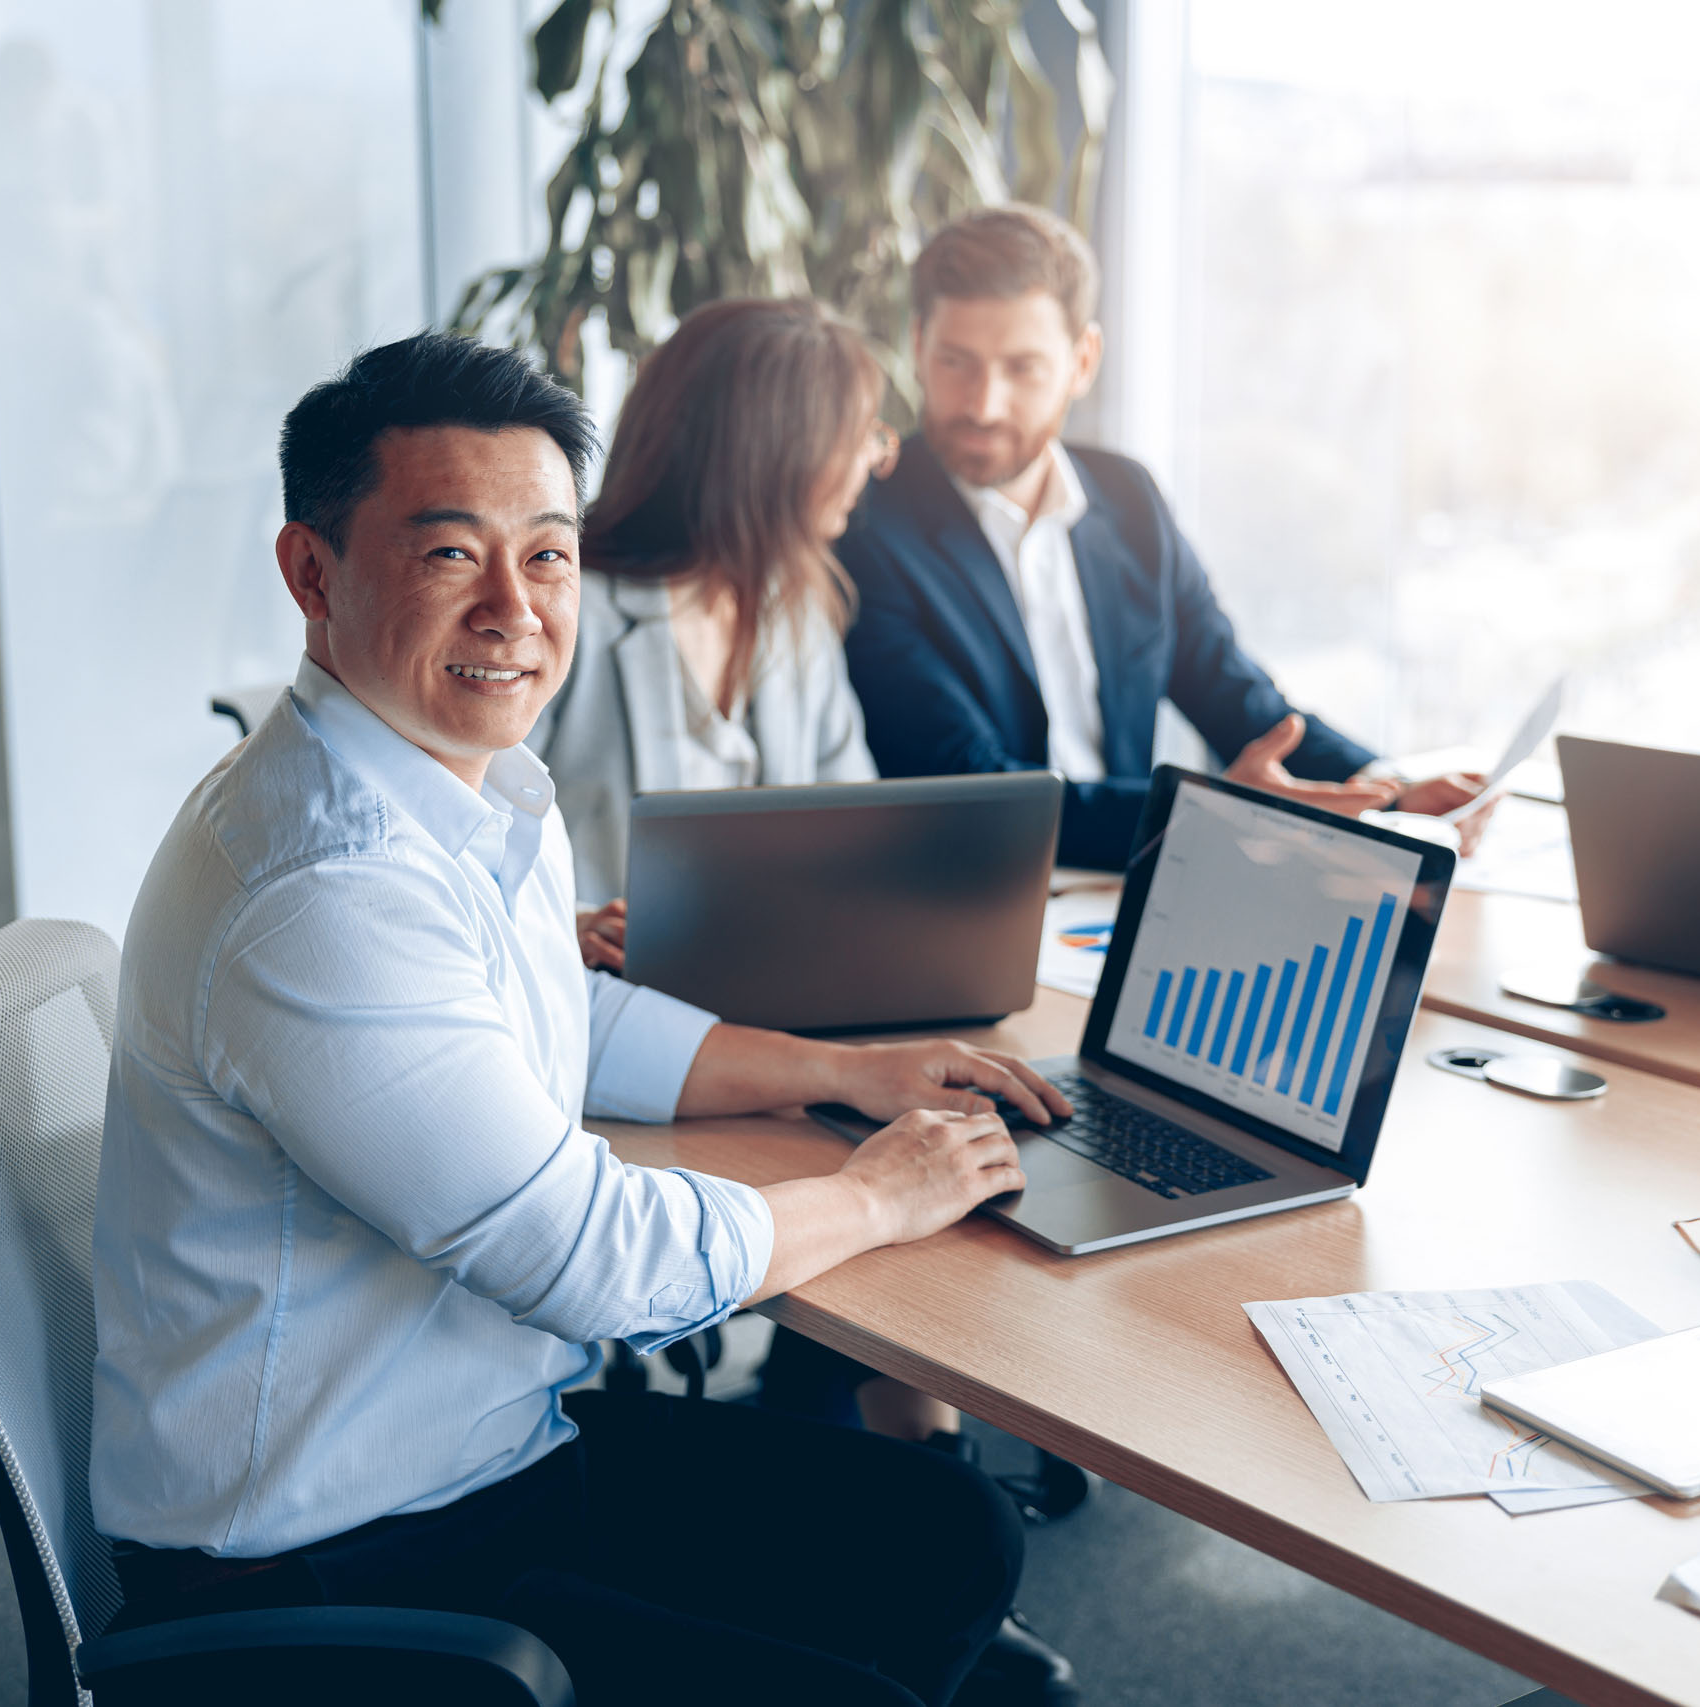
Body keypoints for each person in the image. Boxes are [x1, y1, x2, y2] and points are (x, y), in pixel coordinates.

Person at [89, 331, 1089, 1706]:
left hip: (485, 1448)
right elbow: (592, 1260)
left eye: (548, 554)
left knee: (950, 1534)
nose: (514, 608)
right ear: (312, 572)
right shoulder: (324, 889)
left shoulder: (467, 782)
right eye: (452, 553)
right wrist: (875, 1196)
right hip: (328, 1559)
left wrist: (851, 1071)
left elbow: (576, 1021)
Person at [837, 204, 1484, 871]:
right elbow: (970, 791)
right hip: (979, 892)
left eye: (1022, 368)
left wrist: (1386, 789)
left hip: (1137, 885)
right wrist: (1210, 816)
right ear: (918, 345)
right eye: (956, 362)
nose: (983, 404)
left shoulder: (1127, 496)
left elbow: (1230, 689)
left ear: (1082, 361)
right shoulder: (867, 525)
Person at [535, 298, 885, 966]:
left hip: (775, 979)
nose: (872, 459)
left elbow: (859, 835)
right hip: (600, 993)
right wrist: (567, 928)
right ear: (778, 452)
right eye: (857, 436)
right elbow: (467, 839)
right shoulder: (567, 610)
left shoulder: (798, 612)